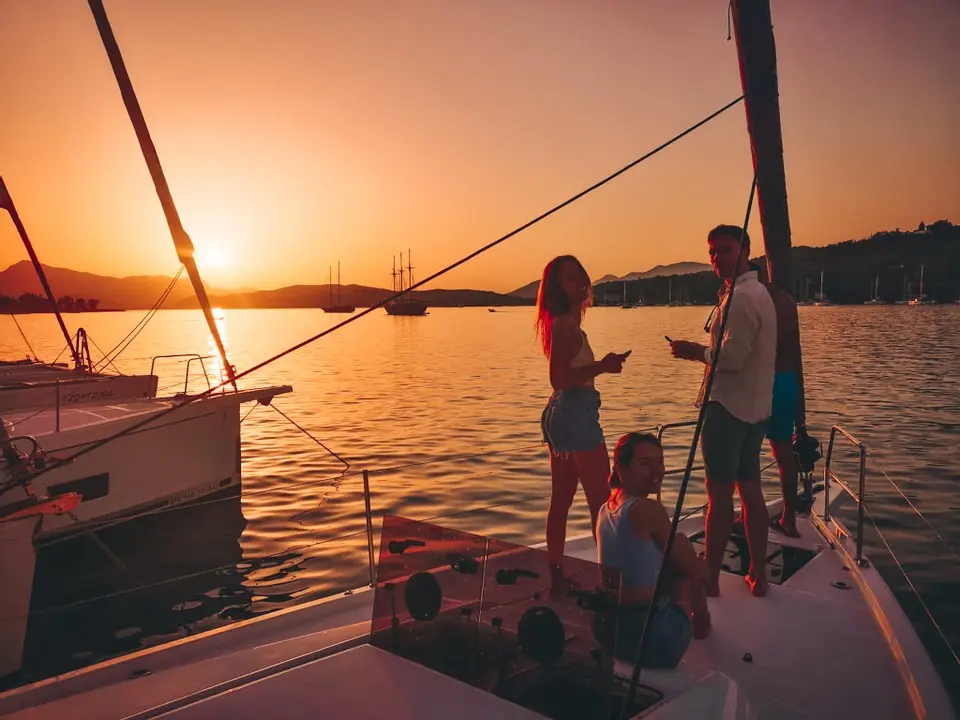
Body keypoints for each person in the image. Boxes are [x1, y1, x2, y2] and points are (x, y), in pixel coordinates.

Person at [668, 225, 777, 597]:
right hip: (756, 408)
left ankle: (710, 579)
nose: (717, 258)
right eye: (712, 251)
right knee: (750, 489)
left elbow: (729, 359)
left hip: (728, 409)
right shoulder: (758, 293)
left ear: (745, 250)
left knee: (719, 496)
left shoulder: (743, 298)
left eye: (725, 250)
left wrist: (692, 351)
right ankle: (758, 575)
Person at [536, 255, 628, 579]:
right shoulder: (564, 325)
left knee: (561, 500)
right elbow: (559, 378)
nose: (579, 283)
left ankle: (556, 574)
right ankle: (609, 579)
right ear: (557, 288)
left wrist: (599, 367)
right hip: (575, 413)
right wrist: (603, 366)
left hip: (564, 412)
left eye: (580, 276)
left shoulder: (566, 322)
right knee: (601, 503)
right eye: (569, 278)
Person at [594, 433, 711, 667]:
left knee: (671, 550)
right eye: (645, 464)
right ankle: (701, 624)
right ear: (621, 468)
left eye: (660, 461)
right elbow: (693, 568)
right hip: (654, 639)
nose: (657, 471)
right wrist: (698, 561)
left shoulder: (604, 510)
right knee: (684, 563)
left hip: (607, 632)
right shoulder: (647, 509)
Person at [755, 262, 809, 537]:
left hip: (763, 381)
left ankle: (750, 516)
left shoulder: (755, 298)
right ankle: (788, 516)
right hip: (787, 380)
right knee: (783, 452)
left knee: (747, 453)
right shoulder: (787, 300)